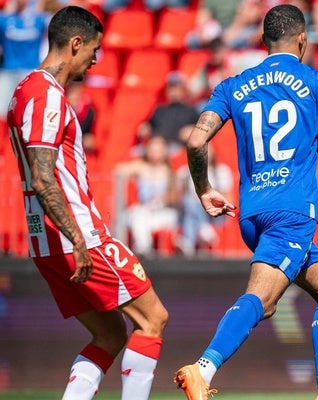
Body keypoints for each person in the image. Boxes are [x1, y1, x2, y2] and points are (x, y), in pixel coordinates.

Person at [173, 4, 318, 400]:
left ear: (263, 41)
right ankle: (203, 367)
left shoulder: (233, 85)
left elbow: (195, 141)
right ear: (303, 39)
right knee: (263, 299)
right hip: (292, 211)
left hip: (252, 213)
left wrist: (204, 189)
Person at [6, 6, 168, 400]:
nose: (96, 60)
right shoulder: (44, 94)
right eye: (93, 50)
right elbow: (44, 177)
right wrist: (79, 239)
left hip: (45, 244)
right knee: (153, 319)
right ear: (75, 43)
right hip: (77, 237)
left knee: (110, 333)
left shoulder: (24, 92)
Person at [115, 135, 180, 258]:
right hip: (143, 211)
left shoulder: (170, 171)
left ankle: (144, 249)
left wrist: (163, 198)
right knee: (137, 215)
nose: (155, 154)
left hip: (163, 213)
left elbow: (176, 197)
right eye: (152, 150)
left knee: (141, 218)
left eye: (158, 150)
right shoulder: (141, 167)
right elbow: (118, 171)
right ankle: (143, 250)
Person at [0, 0, 50, 119]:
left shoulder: (40, 19)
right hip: (8, 71)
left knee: (29, 113)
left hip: (30, 72)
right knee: (3, 112)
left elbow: (60, 23)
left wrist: (41, 6)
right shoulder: (5, 20)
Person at [134, 71, 199, 157]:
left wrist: (192, 130)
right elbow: (149, 125)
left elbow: (201, 128)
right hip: (156, 144)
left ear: (183, 90)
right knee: (135, 152)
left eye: (176, 88)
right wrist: (145, 128)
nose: (172, 91)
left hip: (176, 147)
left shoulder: (190, 110)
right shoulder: (160, 109)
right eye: (170, 88)